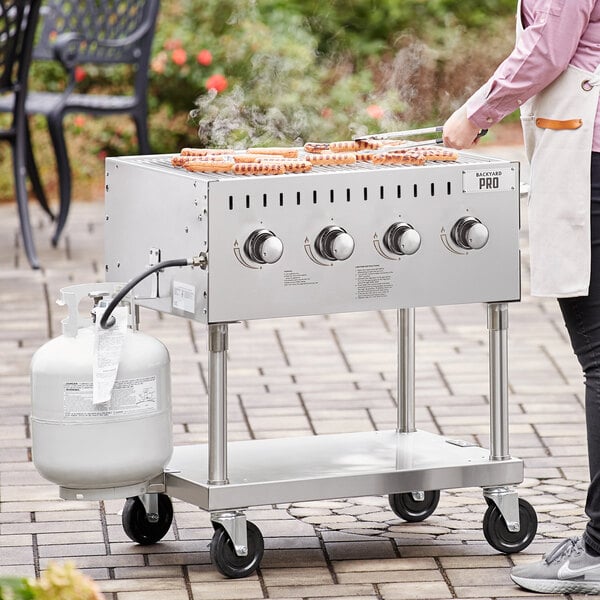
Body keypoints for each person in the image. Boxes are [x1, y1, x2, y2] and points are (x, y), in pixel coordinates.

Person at [443, 0, 600, 595]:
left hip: (591, 154)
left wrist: (476, 113)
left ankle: (599, 548)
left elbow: (548, 48)